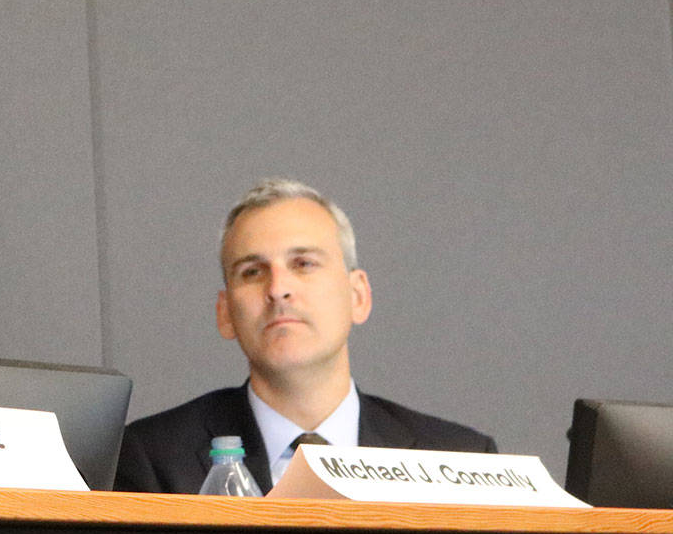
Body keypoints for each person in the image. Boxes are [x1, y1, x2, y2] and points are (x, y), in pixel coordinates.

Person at [114, 178, 494, 494]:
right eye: (252, 271)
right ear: (226, 312)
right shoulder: (153, 462)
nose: (278, 288)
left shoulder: (461, 458)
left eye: (304, 264)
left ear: (358, 296)